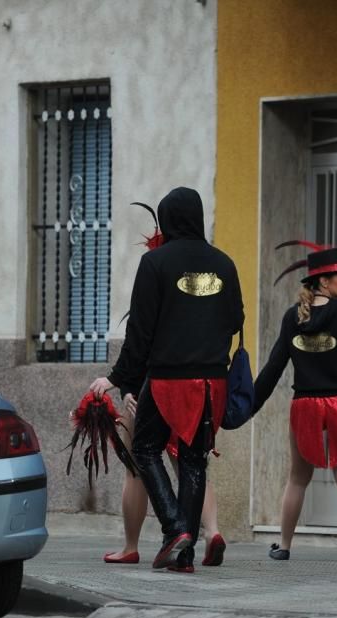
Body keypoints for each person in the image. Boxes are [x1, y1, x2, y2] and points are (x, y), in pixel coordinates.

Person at [90, 186, 244, 574]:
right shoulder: (225, 264)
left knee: (144, 449)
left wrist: (118, 378)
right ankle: (185, 551)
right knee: (194, 459)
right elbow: (236, 320)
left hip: (168, 380)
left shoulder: (156, 263)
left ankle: (174, 529)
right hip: (213, 381)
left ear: (167, 220)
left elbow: (140, 331)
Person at [252, 242, 337, 562]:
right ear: (323, 281)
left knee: (297, 477)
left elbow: (273, 367)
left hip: (305, 405)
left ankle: (285, 545)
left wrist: (248, 405)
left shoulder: (294, 318)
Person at [101, 403, 226, 567]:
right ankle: (212, 532)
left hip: (146, 392)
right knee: (191, 468)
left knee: (136, 470)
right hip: (183, 395)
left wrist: (114, 381)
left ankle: (131, 548)